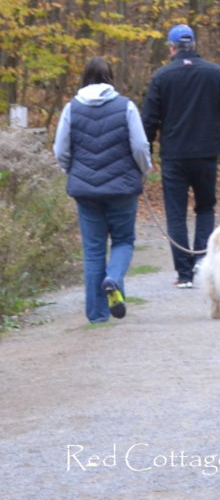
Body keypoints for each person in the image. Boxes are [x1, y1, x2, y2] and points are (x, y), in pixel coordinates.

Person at [54, 57, 151, 323]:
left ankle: (97, 315)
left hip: (85, 192)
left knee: (93, 250)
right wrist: (144, 170)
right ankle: (114, 279)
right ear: (111, 77)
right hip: (122, 189)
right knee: (123, 240)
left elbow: (60, 150)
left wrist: (72, 171)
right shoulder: (126, 106)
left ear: (84, 77)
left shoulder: (71, 108)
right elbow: (140, 146)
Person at [141, 24, 220, 287]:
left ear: (171, 48)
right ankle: (201, 263)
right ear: (193, 45)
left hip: (174, 154)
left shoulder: (162, 76)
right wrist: (211, 115)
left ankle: (184, 274)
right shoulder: (213, 72)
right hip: (206, 152)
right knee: (205, 208)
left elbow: (148, 119)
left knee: (176, 214)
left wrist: (145, 152)